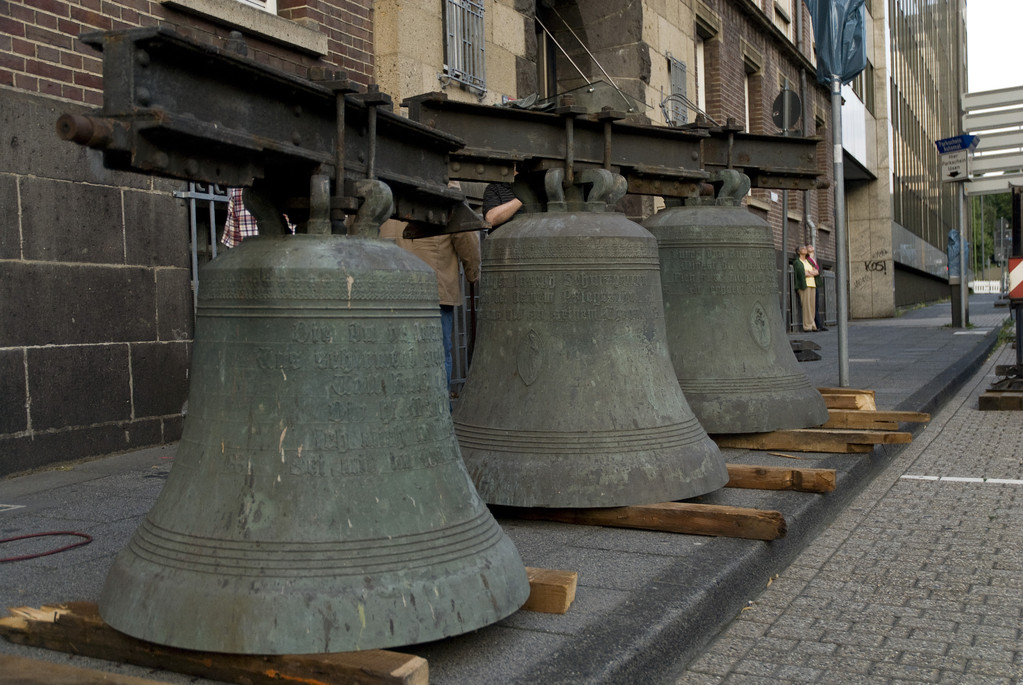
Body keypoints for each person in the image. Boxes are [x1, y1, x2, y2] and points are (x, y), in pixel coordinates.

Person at [379, 220, 481, 393]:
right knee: (435, 357)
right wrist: (473, 272)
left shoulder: (374, 191)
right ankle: (438, 415)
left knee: (390, 358)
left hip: (385, 288)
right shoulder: (445, 191)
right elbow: (465, 232)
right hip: (434, 288)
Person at [793, 245, 818, 332]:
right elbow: (802, 273)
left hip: (812, 284)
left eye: (805, 248)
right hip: (804, 285)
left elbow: (816, 271)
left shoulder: (808, 262)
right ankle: (807, 326)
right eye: (802, 248)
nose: (805, 249)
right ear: (798, 252)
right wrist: (810, 273)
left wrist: (809, 272)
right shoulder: (798, 262)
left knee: (812, 306)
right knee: (806, 305)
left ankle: (812, 324)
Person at [805, 244, 828, 331]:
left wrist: (815, 272)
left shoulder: (813, 259)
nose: (810, 246)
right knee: (813, 305)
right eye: (808, 247)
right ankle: (817, 325)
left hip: (815, 283)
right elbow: (813, 271)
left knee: (816, 305)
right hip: (810, 283)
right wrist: (814, 272)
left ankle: (818, 324)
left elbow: (816, 271)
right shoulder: (808, 260)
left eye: (811, 245)